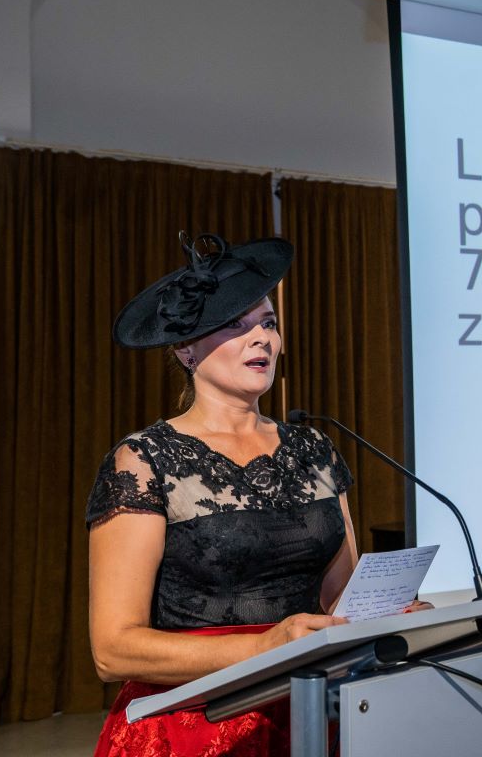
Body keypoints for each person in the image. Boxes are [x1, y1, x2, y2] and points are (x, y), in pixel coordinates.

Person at [87, 232, 423, 756]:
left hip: (315, 710)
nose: (261, 338)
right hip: (195, 725)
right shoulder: (144, 460)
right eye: (235, 325)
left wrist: (388, 613)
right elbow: (113, 650)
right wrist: (265, 646)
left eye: (268, 323)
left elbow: (340, 600)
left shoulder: (314, 448)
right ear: (185, 349)